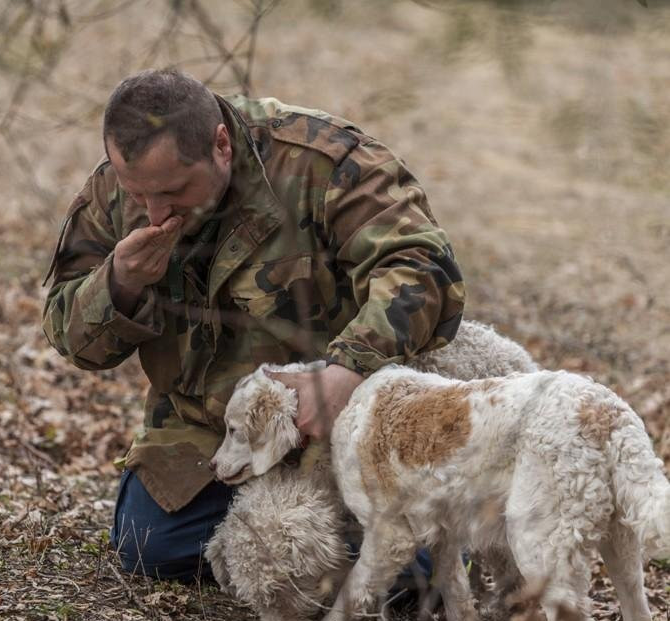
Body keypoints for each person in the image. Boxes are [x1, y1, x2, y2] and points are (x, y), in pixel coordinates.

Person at [42, 69, 464, 581]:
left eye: (174, 191)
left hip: (332, 429)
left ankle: (386, 564)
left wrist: (348, 369)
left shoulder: (325, 163)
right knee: (148, 549)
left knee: (413, 571)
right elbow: (72, 339)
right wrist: (120, 283)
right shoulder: (116, 190)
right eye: (138, 194)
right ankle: (289, 567)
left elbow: (423, 268)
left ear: (221, 145)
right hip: (211, 430)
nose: (153, 213)